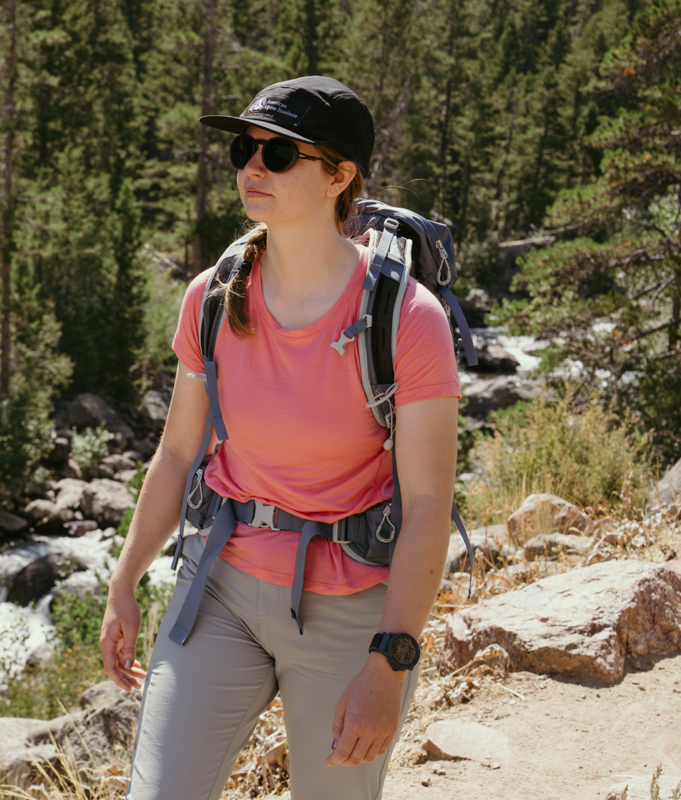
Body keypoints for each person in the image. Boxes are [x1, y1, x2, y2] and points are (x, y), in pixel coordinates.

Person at [99, 76, 461, 800]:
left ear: (340, 175)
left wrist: (390, 661)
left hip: (352, 608)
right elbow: (176, 454)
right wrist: (125, 579)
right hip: (220, 588)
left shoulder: (405, 318)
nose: (251, 168)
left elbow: (427, 504)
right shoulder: (211, 297)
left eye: (279, 153)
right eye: (245, 148)